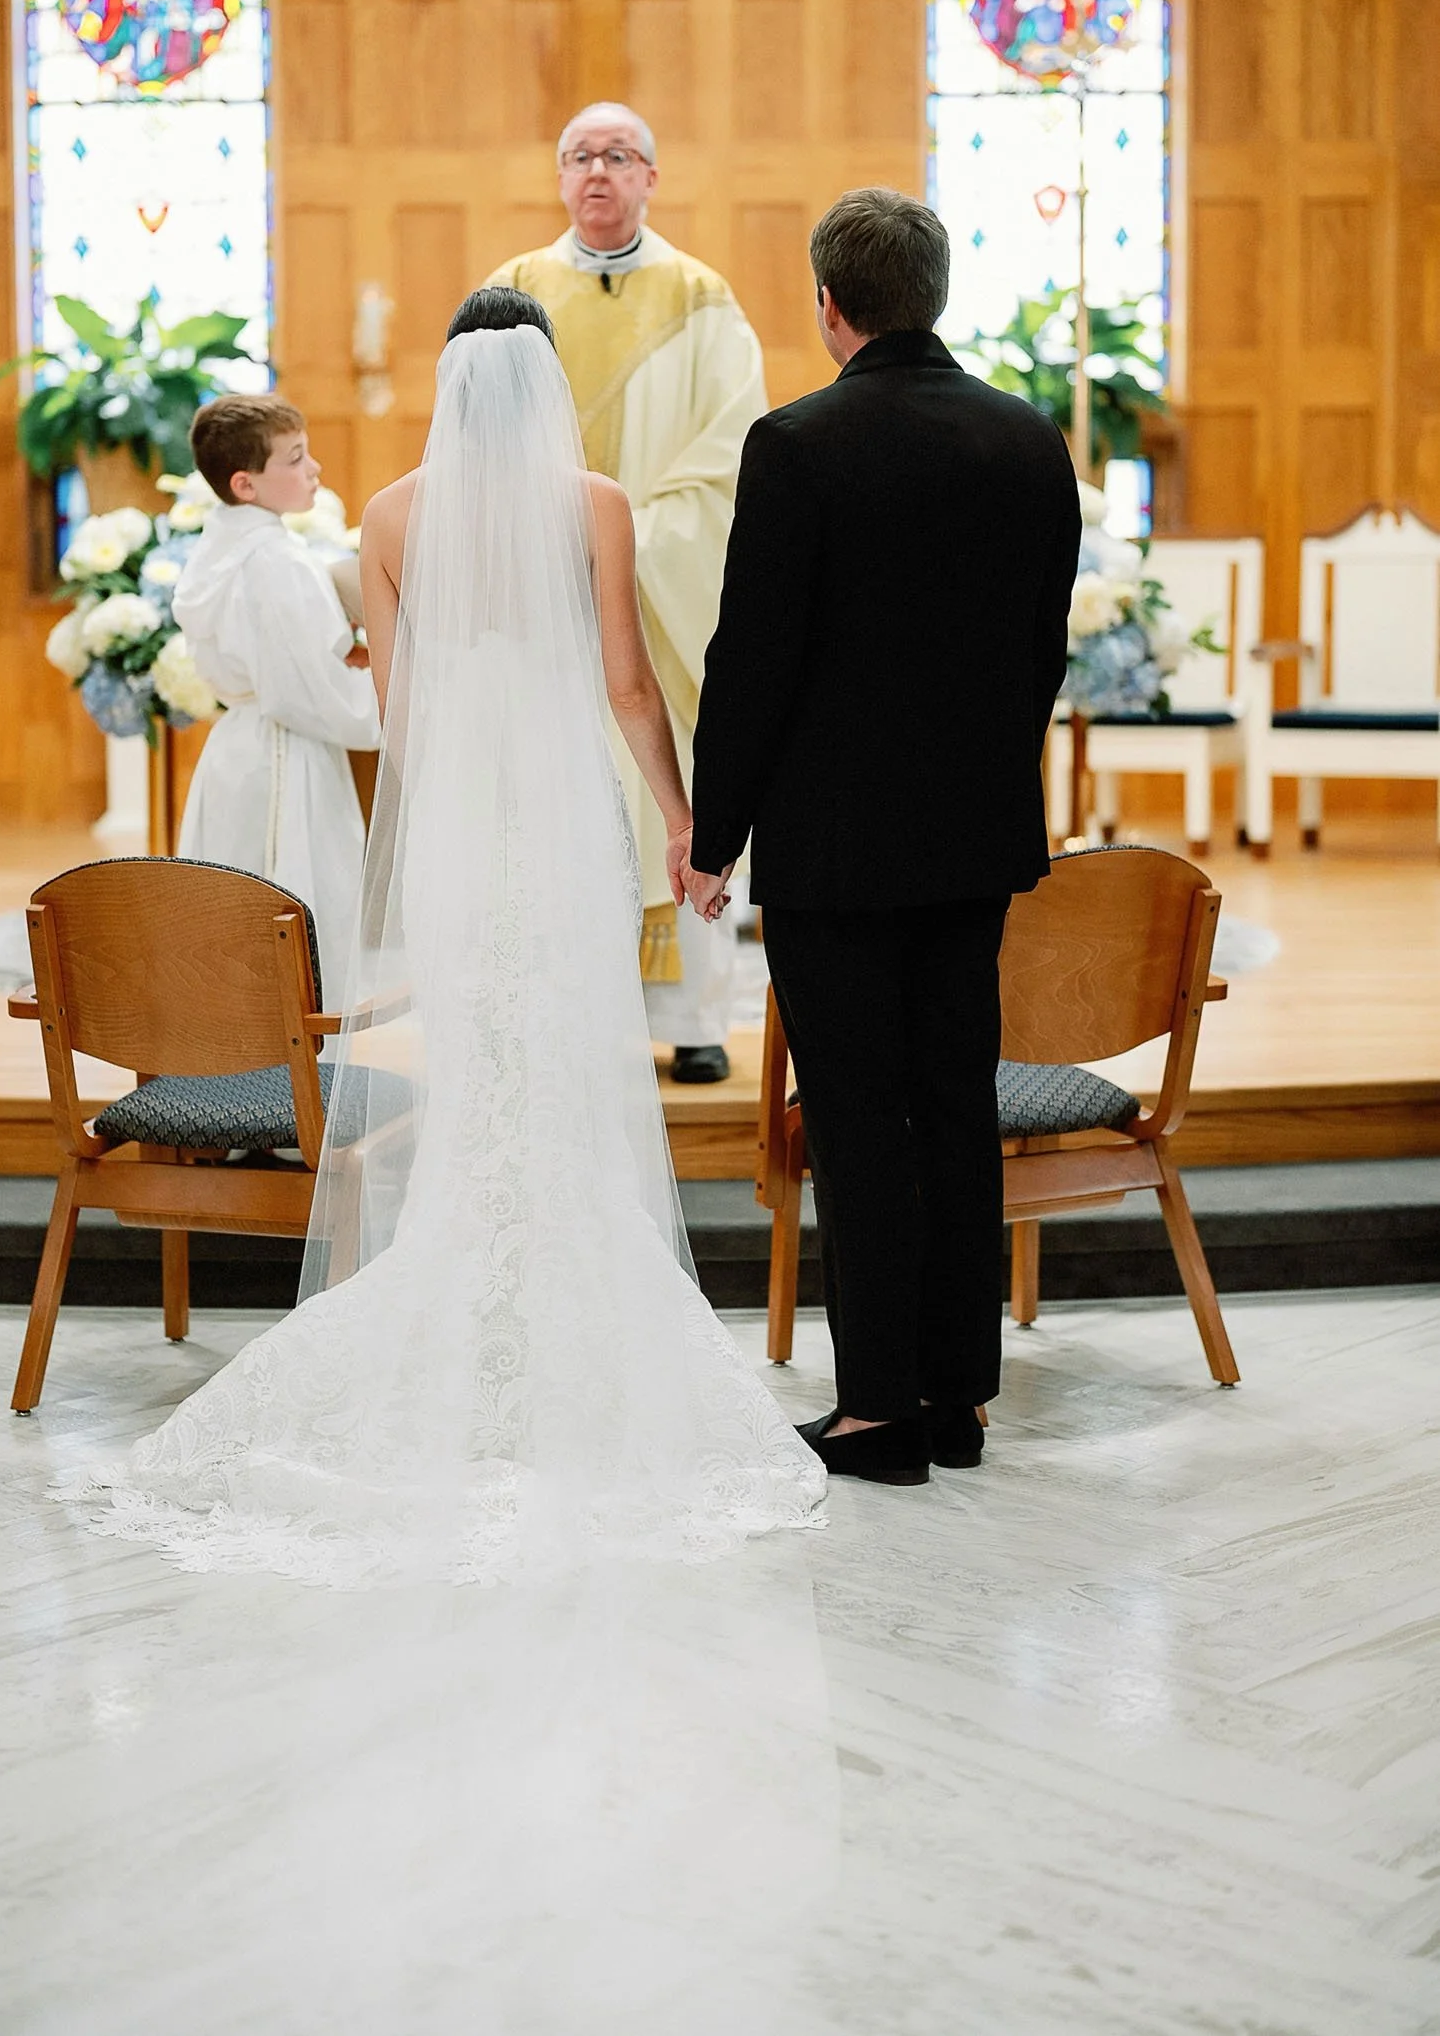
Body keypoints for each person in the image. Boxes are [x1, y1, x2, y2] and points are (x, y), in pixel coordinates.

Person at [56, 310, 825, 1586]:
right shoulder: (593, 502)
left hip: (463, 817)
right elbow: (631, 686)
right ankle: (567, 1302)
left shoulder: (395, 517)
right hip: (569, 811)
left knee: (482, 1051)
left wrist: (443, 825)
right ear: (543, 390)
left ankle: (471, 1278)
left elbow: (400, 709)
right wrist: (686, 820)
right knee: (569, 1042)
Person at [685, 188, 1082, 1488]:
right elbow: (1039, 651)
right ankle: (958, 1399)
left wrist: (714, 828)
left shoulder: (796, 444)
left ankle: (875, 1415)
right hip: (971, 840)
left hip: (837, 852)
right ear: (937, 293)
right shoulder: (1027, 439)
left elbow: (755, 659)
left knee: (857, 1119)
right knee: (951, 1106)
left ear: (828, 303)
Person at [484, 102, 765, 1084]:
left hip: (657, 601)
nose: (597, 171)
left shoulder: (701, 298)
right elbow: (476, 429)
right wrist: (542, 537)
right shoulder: (515, 287)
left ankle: (693, 1020)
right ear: (559, 179)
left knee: (674, 782)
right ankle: (568, 1013)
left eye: (618, 155)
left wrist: (632, 545)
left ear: (651, 175)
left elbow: (732, 449)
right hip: (542, 596)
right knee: (554, 796)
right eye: (578, 156)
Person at [171, 394, 380, 997]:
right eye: (294, 458)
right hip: (291, 758)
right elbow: (315, 697)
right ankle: (291, 1079)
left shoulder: (220, 548)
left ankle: (232, 1069)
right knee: (295, 920)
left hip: (237, 749)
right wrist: (389, 681)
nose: (313, 468)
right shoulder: (277, 562)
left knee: (230, 915)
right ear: (245, 484)